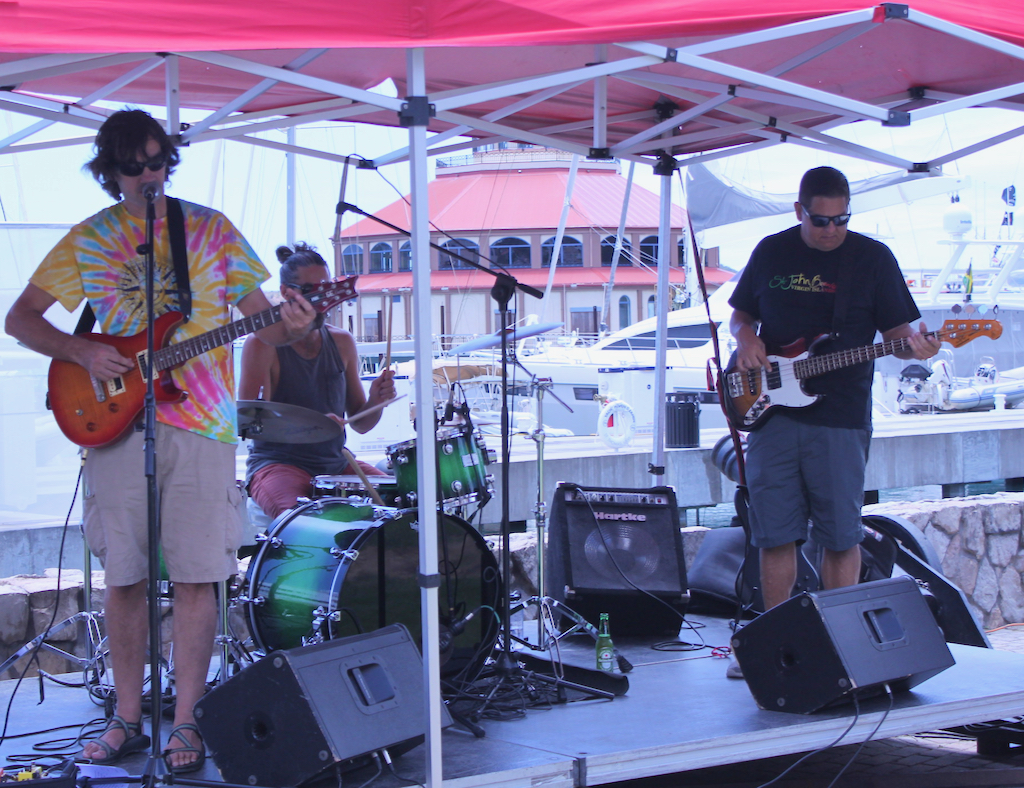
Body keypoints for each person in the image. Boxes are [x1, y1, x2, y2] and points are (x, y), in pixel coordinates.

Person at [5, 109, 316, 770]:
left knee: (200, 576)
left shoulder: (211, 231)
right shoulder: (89, 240)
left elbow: (266, 326)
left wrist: (292, 322)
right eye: (135, 165)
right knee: (125, 577)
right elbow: (21, 319)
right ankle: (124, 716)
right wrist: (81, 351)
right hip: (117, 428)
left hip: (201, 426)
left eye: (159, 160)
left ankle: (187, 723)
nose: (151, 174)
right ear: (110, 172)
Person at [726, 166, 940, 673]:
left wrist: (922, 348)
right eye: (820, 220)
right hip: (772, 415)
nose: (830, 230)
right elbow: (741, 314)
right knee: (774, 532)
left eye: (841, 219)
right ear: (800, 211)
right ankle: (774, 645)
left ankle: (836, 642)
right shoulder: (772, 250)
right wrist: (746, 339)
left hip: (841, 417)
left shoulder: (871, 259)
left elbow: (899, 332)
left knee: (840, 534)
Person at [238, 243, 397, 519]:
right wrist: (313, 427)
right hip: (277, 464)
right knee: (298, 520)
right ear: (287, 292)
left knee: (398, 508)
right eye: (312, 291)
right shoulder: (261, 343)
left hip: (336, 464)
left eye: (327, 288)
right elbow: (246, 423)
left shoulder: (342, 341)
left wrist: (377, 400)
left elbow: (360, 424)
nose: (323, 298)